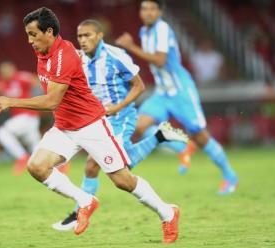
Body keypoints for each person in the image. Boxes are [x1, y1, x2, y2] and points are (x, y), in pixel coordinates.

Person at [0, 7, 180, 243]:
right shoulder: (43, 53)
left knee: (123, 180)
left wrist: (12, 101)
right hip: (65, 127)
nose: (30, 41)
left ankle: (168, 213)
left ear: (49, 31)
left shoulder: (63, 56)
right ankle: (86, 200)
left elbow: (51, 101)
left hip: (91, 125)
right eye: (27, 35)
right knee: (37, 167)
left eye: (33, 34)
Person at [52, 19, 187, 231]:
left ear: (100, 35)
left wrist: (117, 107)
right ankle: (160, 137)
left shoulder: (115, 57)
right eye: (80, 36)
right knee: (113, 168)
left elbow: (139, 86)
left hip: (121, 117)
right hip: (97, 119)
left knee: (106, 168)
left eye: (88, 35)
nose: (83, 40)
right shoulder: (79, 58)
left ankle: (79, 213)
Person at [116, 0, 238, 194]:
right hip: (162, 92)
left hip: (180, 91)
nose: (147, 13)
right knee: (139, 125)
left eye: (152, 9)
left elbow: (160, 60)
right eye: (144, 9)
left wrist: (131, 47)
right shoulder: (144, 32)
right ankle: (182, 148)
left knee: (202, 137)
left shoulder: (162, 29)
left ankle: (230, 176)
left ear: (160, 12)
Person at [0, 61, 42, 175]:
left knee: (2, 132)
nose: (5, 73)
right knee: (37, 150)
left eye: (7, 70)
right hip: (24, 118)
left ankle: (22, 157)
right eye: (2, 71)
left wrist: (40, 99)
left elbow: (37, 81)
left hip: (27, 115)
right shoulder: (2, 83)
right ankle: (61, 164)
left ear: (13, 69)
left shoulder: (21, 77)